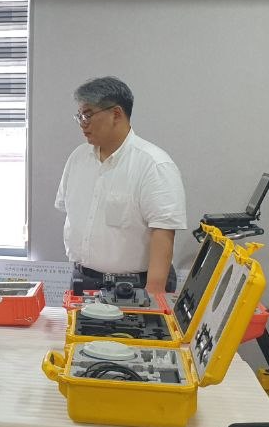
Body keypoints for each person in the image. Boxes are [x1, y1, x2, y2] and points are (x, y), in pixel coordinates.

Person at [55, 76, 186, 293]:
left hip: (135, 286)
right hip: (84, 279)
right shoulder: (78, 158)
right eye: (79, 116)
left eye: (88, 115)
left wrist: (153, 296)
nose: (82, 123)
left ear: (116, 114)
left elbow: (163, 233)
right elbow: (71, 213)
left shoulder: (154, 164)